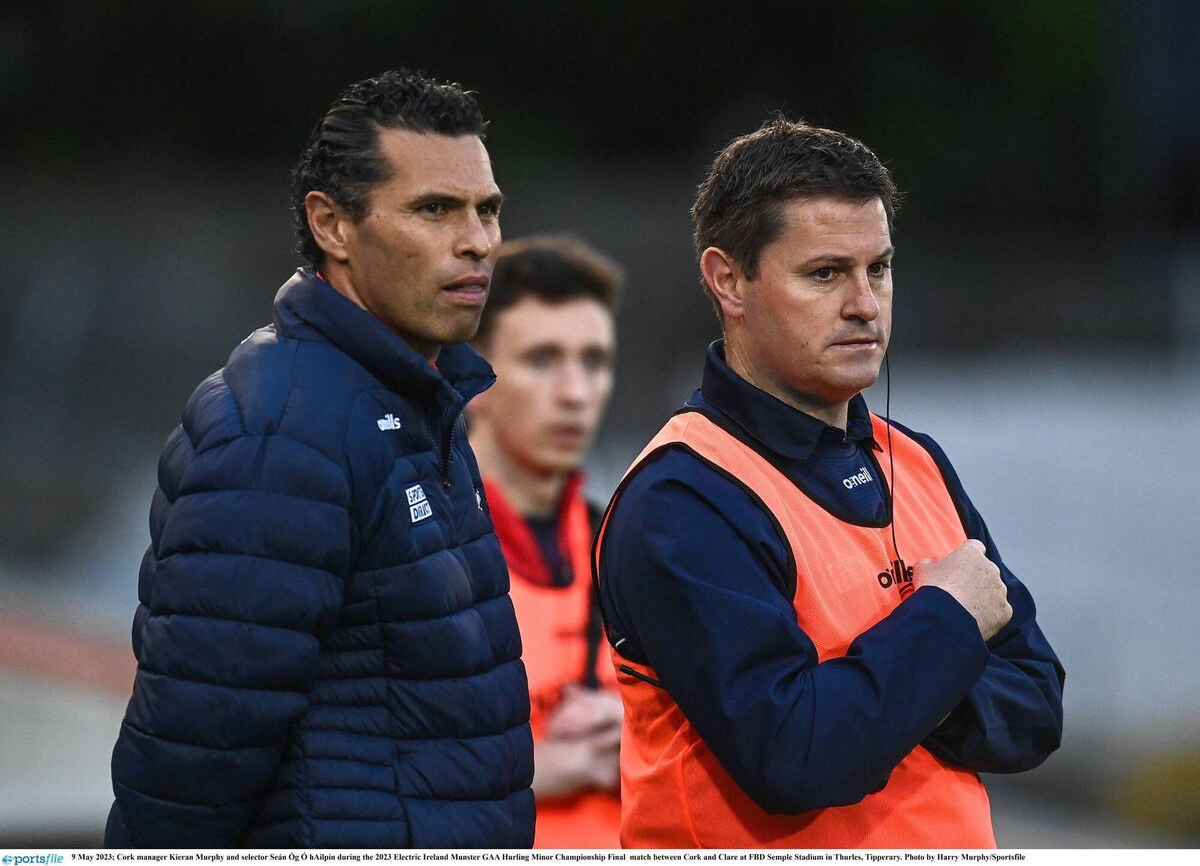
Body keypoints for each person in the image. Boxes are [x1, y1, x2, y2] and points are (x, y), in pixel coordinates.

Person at [594, 117, 1065, 848]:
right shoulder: (681, 497)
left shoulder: (917, 460)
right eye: (825, 273)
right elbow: (798, 754)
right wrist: (945, 623)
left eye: (878, 268)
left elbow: (1036, 707)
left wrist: (889, 694)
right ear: (728, 281)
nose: (865, 305)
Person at [105, 69, 534, 848]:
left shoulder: (418, 401)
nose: (477, 240)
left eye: (487, 208)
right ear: (332, 226)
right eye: (434, 209)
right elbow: (194, 757)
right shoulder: (282, 428)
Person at [467, 235, 624, 848]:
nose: (576, 393)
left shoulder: (631, 548)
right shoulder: (405, 551)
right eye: (541, 359)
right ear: (470, 376)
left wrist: (645, 737)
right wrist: (520, 772)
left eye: (594, 361)